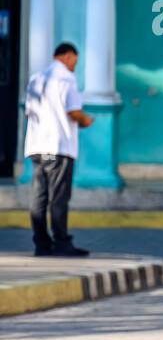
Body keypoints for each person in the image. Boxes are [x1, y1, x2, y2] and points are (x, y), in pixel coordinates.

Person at [24, 43, 94, 257]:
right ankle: (62, 243)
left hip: (37, 147)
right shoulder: (65, 79)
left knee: (39, 198)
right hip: (58, 146)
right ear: (67, 56)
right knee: (58, 197)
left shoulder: (35, 79)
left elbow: (29, 112)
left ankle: (42, 244)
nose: (75, 65)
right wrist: (86, 120)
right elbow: (74, 111)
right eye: (75, 60)